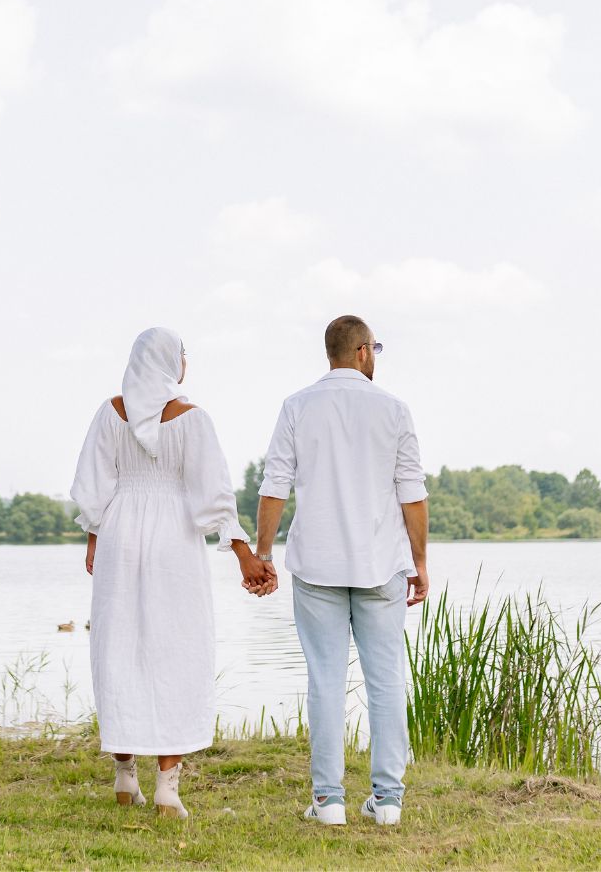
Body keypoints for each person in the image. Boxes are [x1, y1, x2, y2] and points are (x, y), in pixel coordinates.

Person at [70, 327, 277, 818]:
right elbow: (213, 495)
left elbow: (92, 486)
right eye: (183, 354)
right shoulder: (192, 419)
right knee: (177, 648)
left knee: (119, 645)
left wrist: (95, 537)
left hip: (121, 535)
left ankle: (125, 778)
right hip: (174, 542)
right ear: (170, 362)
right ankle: (166, 787)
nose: (186, 361)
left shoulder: (110, 412)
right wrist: (243, 553)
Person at [251, 314, 429, 827]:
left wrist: (263, 553)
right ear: (362, 353)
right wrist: (419, 561)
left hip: (318, 566)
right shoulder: (394, 410)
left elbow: (275, 485)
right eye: (374, 347)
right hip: (381, 566)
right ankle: (388, 800)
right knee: (387, 681)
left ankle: (329, 802)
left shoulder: (297, 407)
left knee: (326, 682)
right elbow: (411, 494)